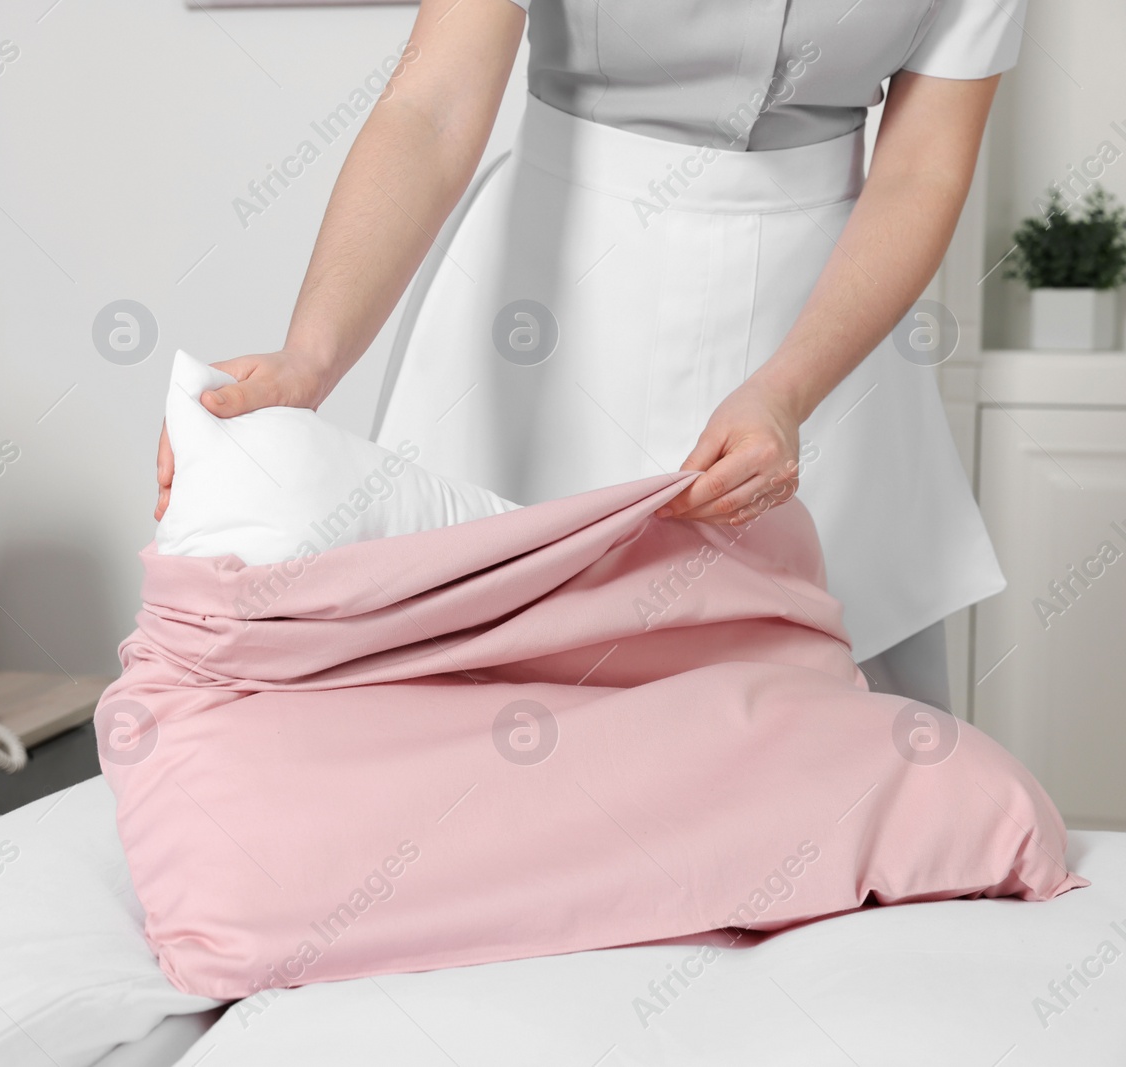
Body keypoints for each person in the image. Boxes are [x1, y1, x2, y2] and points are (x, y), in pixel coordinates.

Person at [155, 0, 1026, 711]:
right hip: (553, 311)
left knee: (837, 766)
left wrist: (787, 391)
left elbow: (922, 170)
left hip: (826, 330)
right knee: (486, 735)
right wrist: (312, 353)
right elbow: (434, 103)